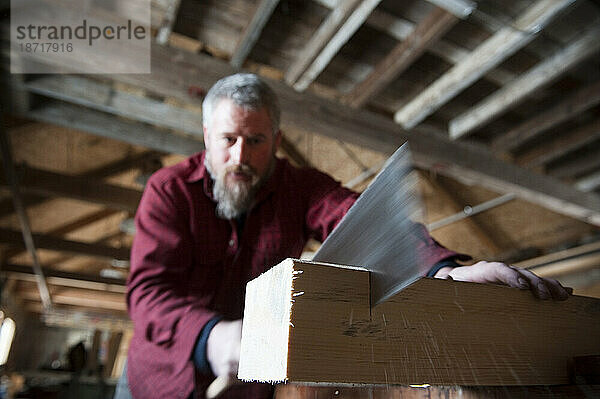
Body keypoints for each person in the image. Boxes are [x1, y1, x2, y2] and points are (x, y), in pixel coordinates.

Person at [121, 73, 570, 399]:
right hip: (163, 378)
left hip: (252, 386)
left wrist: (445, 270)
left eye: (256, 141)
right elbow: (147, 293)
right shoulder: (169, 191)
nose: (241, 156)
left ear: (276, 140)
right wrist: (211, 336)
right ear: (206, 136)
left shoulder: (303, 188)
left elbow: (361, 220)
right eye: (228, 139)